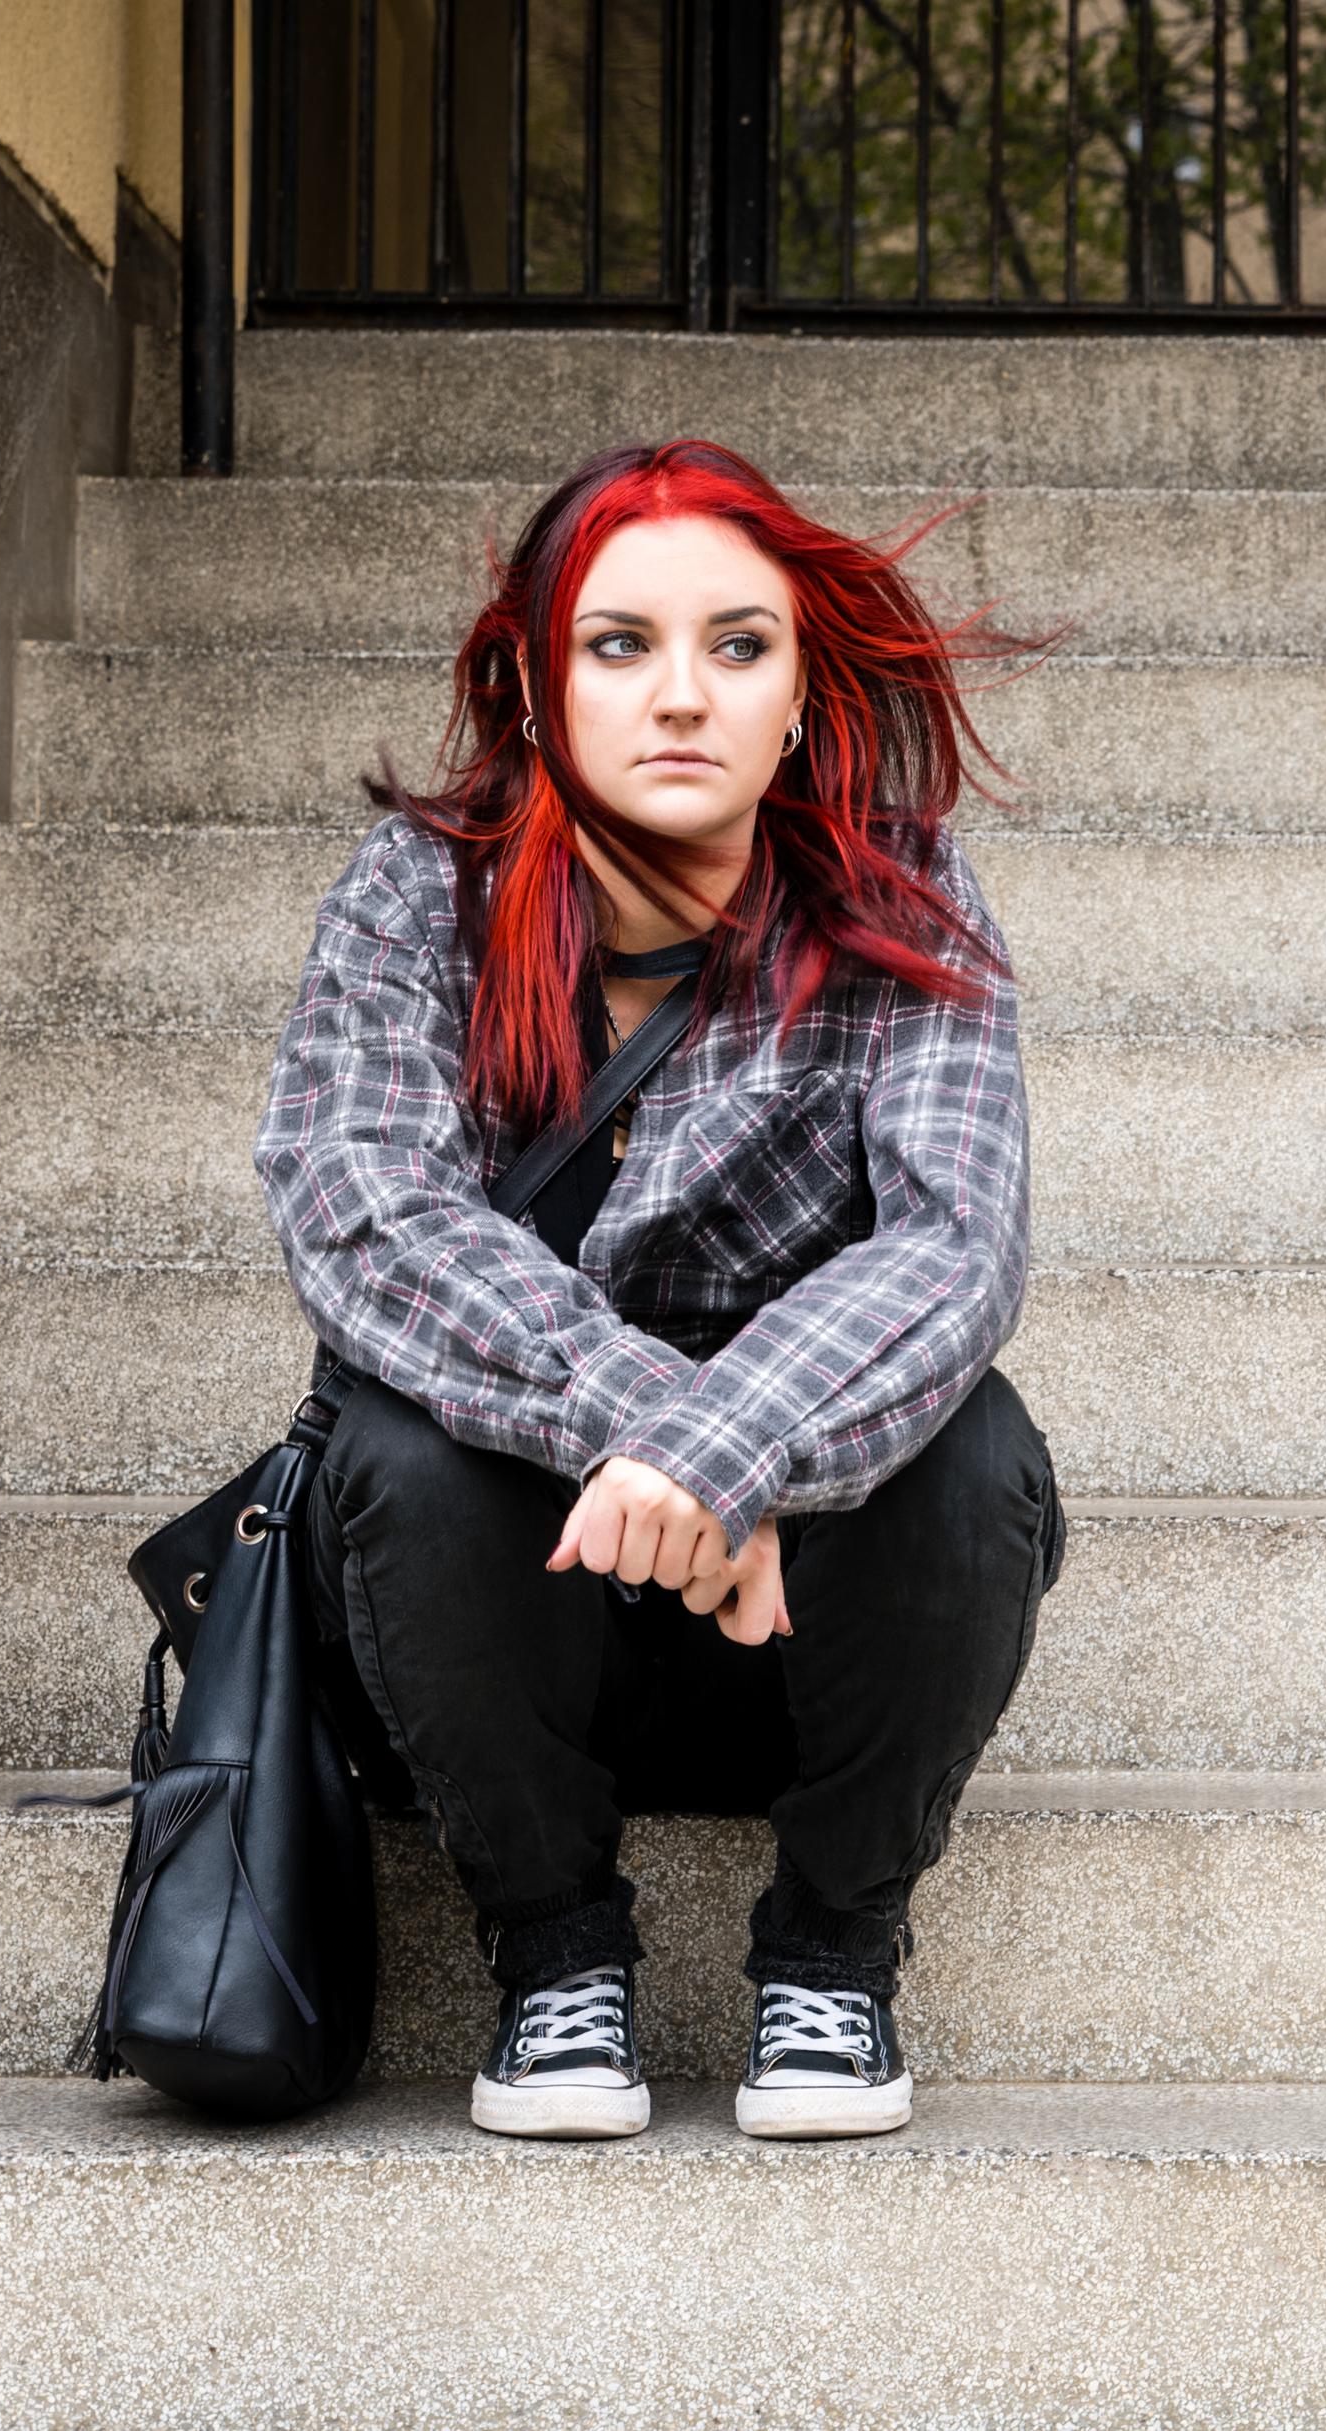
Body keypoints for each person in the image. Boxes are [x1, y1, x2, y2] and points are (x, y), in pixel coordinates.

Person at [254, 439, 1056, 2144]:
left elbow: (954, 1244)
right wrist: (666, 1436)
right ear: (541, 691)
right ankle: (553, 1957)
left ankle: (835, 1958)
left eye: (736, 647)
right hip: (494, 1622)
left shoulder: (902, 903)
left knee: (977, 1452)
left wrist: (729, 1455)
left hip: (792, 1630)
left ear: (797, 697)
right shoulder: (422, 898)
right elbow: (362, 1208)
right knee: (399, 1443)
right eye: (619, 645)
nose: (680, 695)